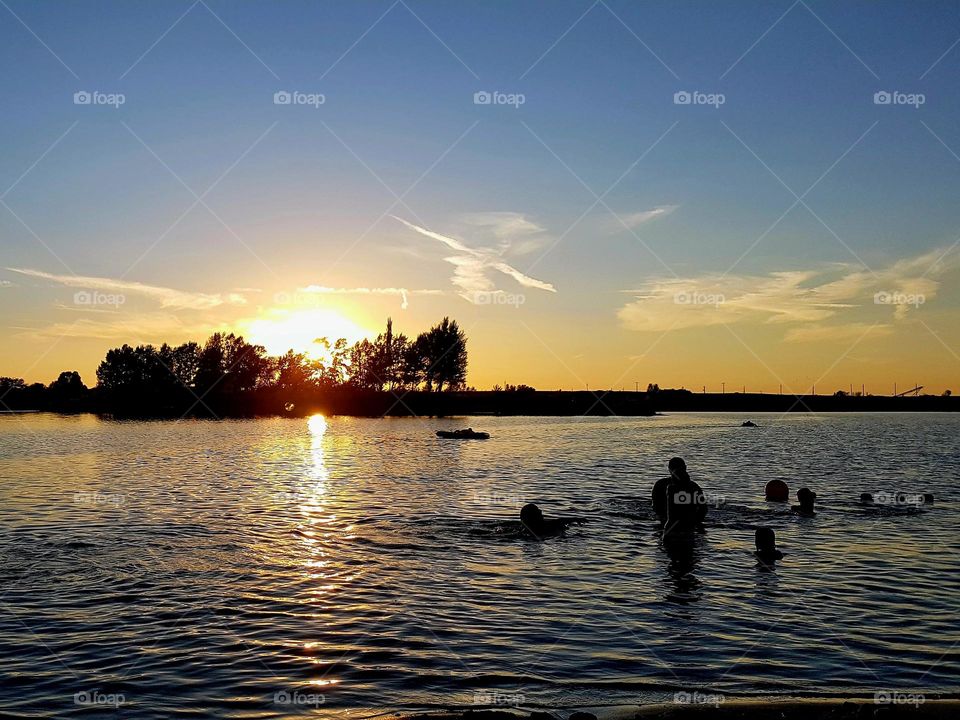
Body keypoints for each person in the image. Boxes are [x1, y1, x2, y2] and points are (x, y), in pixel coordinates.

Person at [663, 458, 708, 536]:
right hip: (688, 526)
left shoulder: (670, 488)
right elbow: (703, 509)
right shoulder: (693, 488)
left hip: (671, 527)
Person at [652, 457, 687, 524]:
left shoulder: (660, 484)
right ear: (685, 468)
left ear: (669, 469)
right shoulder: (693, 486)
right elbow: (703, 509)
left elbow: (655, 505)